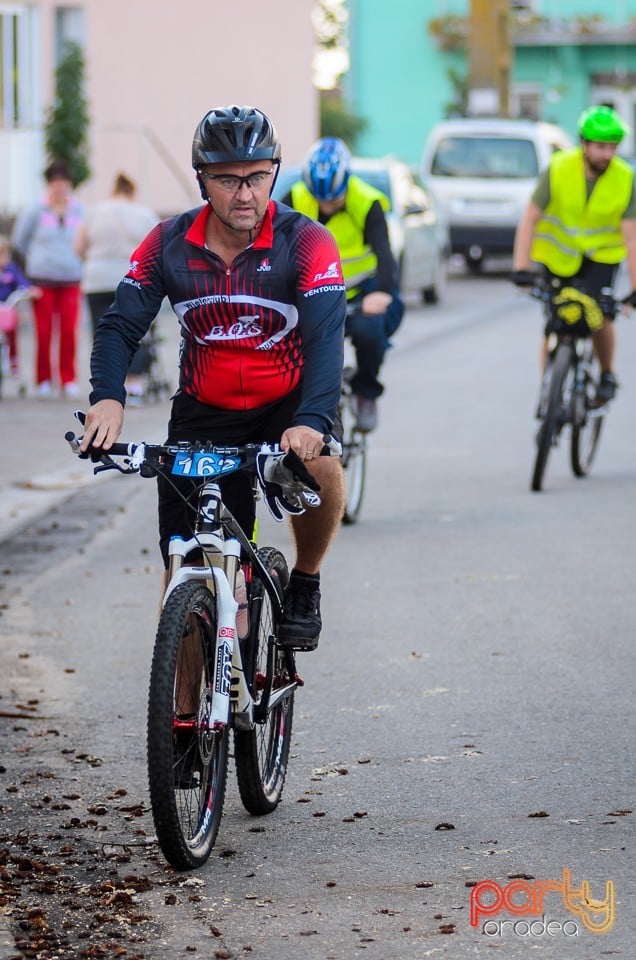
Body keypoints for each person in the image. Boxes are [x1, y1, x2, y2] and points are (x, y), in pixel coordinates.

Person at [79, 105, 347, 652]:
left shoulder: (307, 243)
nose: (244, 193)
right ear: (202, 179)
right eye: (227, 179)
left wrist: (311, 421)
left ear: (275, 171)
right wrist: (108, 398)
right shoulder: (168, 243)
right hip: (205, 408)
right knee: (186, 568)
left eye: (257, 176)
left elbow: (324, 341)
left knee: (320, 462)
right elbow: (119, 325)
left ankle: (306, 580)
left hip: (287, 399)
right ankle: (180, 727)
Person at [511, 105, 636, 404]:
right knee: (556, 321)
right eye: (601, 146)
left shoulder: (625, 177)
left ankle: (606, 373)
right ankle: (549, 391)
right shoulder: (558, 168)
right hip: (558, 257)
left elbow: (632, 238)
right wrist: (521, 268)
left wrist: (634, 288)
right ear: (584, 144)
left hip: (601, 260)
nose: (608, 154)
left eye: (613, 147)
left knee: (600, 317)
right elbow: (530, 218)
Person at [280, 136, 404, 432]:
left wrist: (383, 293)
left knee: (369, 331)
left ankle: (365, 392)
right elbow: (278, 250)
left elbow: (385, 255)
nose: (327, 205)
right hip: (316, 293)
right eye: (320, 199)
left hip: (363, 291)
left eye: (333, 198)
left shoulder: (367, 202)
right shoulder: (295, 200)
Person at [74, 172, 159, 401]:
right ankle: (134, 383)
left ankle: (107, 385)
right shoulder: (144, 213)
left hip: (97, 279)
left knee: (103, 332)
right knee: (135, 329)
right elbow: (157, 248)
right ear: (132, 192)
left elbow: (79, 246)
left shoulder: (93, 212)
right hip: (131, 278)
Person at [11, 160, 85, 397]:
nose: (59, 188)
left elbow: (85, 240)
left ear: (69, 185)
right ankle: (43, 379)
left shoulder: (80, 211)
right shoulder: (35, 211)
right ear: (48, 185)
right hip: (41, 281)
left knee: (69, 332)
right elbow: (19, 243)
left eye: (63, 183)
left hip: (71, 279)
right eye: (55, 183)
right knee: (43, 332)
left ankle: (68, 379)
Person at [0, 234, 40, 378]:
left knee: (11, 334)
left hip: (7, 309)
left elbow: (22, 283)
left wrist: (29, 290)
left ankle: (13, 361)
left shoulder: (11, 270)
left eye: (3, 255)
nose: (1, 259)